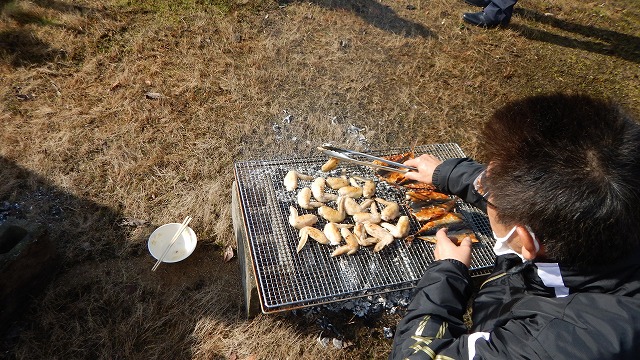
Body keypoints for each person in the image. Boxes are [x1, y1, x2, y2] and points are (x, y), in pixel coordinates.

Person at [389, 93, 640, 359]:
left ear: (527, 241)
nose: (483, 182)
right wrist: (447, 174)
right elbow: (544, 189)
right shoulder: (620, 193)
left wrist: (446, 274)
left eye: (486, 189)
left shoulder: (550, 344)